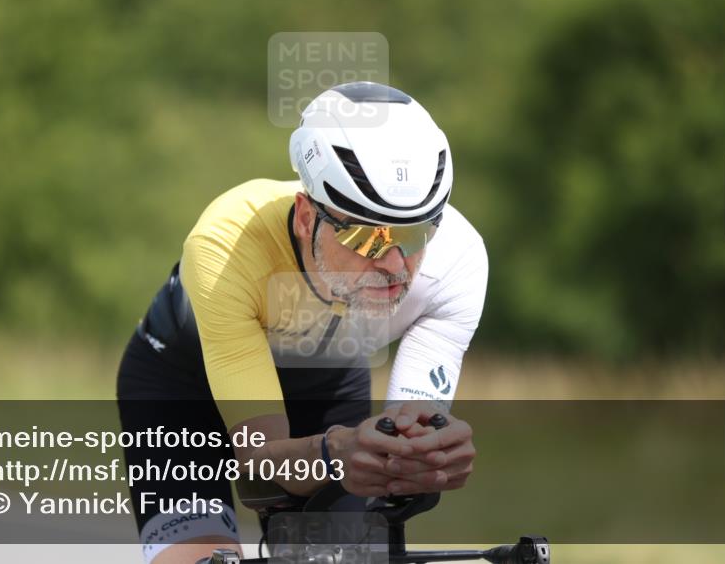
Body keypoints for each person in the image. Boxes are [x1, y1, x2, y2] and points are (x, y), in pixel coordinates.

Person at [116, 81, 488, 564]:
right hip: (183, 390)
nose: (396, 265)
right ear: (306, 217)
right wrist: (335, 454)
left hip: (325, 385)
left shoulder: (457, 262)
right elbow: (260, 460)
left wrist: (419, 460)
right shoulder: (225, 246)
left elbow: (405, 437)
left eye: (417, 232)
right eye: (369, 238)